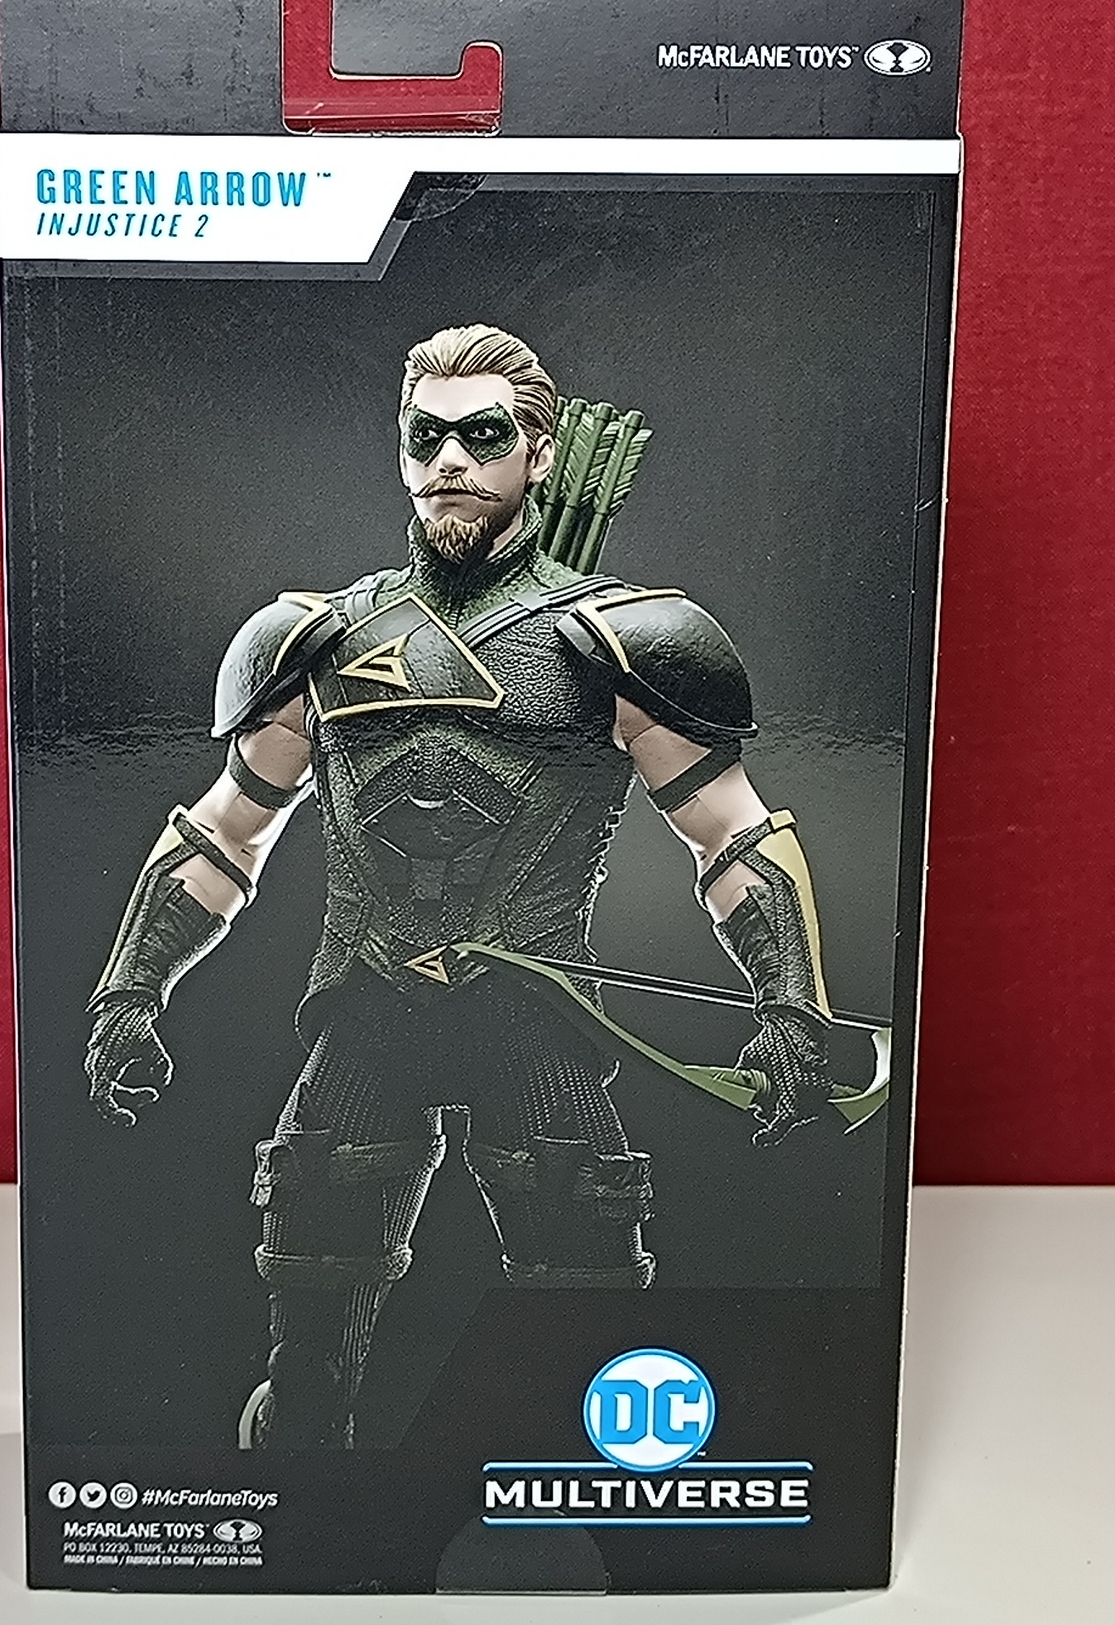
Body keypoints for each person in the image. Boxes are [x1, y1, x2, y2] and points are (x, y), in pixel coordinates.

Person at [83, 323, 843, 1449]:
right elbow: (227, 829)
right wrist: (129, 991)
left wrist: (791, 1004)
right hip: (367, 1015)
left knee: (585, 1353)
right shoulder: (315, 640)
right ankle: (310, 1507)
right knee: (305, 1374)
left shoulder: (620, 638)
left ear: (539, 452)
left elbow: (730, 832)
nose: (449, 460)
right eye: (424, 436)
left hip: (535, 1018)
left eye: (482, 435)